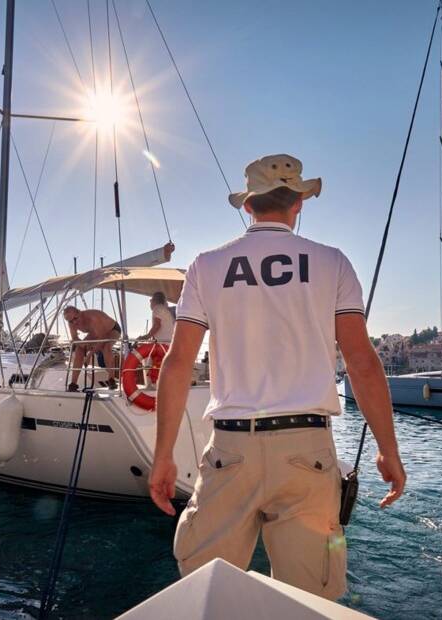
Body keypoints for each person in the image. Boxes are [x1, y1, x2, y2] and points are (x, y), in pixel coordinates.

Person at [148, 154, 406, 599]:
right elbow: (362, 362)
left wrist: (163, 455)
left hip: (231, 449)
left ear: (248, 205)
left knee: (203, 595)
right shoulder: (333, 263)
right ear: (299, 203)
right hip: (307, 453)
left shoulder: (206, 266)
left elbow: (176, 363)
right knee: (309, 600)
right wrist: (388, 450)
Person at [63, 306, 121, 391]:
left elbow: (102, 338)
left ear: (79, 312)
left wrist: (89, 355)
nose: (74, 322)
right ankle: (73, 384)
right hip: (94, 332)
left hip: (111, 329)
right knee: (79, 349)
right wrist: (83, 346)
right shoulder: (71, 323)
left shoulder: (93, 317)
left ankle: (111, 380)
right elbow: (75, 338)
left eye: (75, 318)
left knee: (106, 347)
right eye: (71, 321)